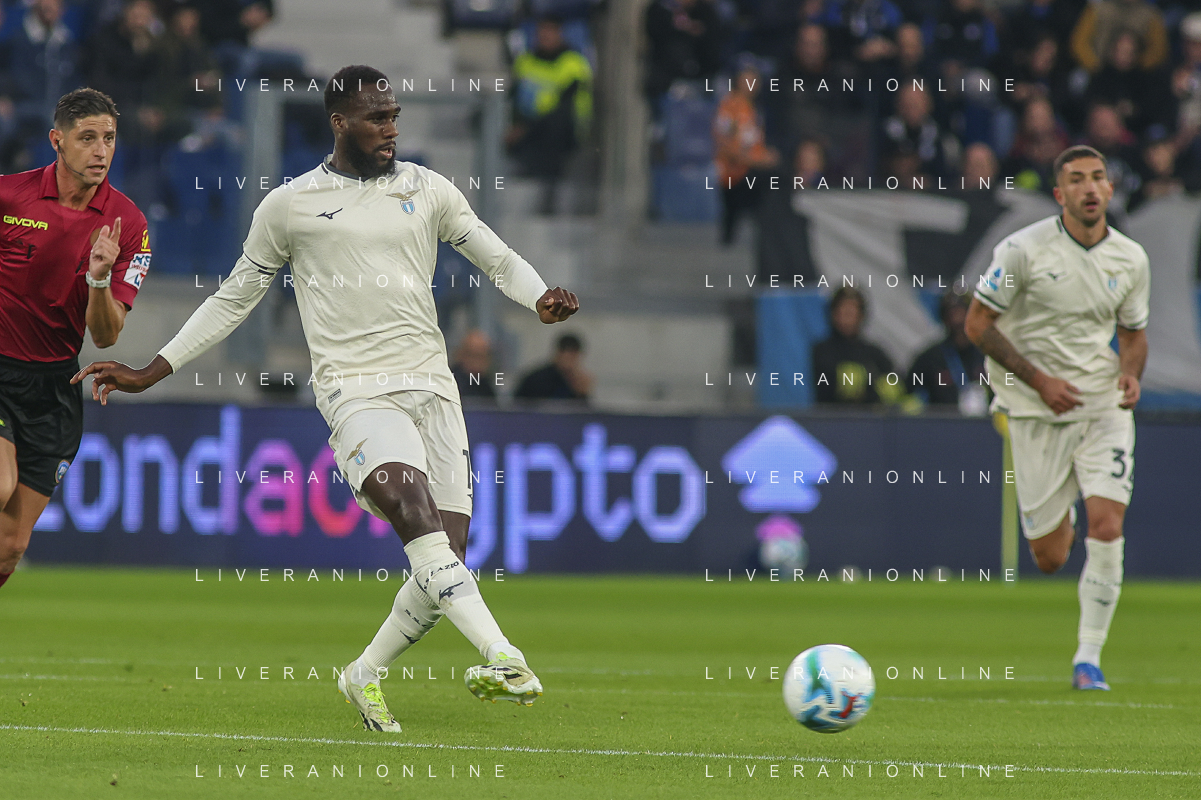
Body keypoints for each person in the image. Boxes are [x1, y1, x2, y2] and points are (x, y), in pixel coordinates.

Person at [73, 65, 580, 730]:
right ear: (339, 122)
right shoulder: (291, 206)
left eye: (394, 116)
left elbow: (497, 256)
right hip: (356, 390)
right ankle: (504, 656)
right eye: (377, 118)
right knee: (411, 509)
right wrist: (154, 368)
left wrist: (539, 296)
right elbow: (234, 298)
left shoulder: (427, 188)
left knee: (445, 557)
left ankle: (362, 674)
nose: (390, 129)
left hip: (432, 386)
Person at [965, 145, 1149, 692]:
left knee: (1108, 524)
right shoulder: (1022, 250)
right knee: (1049, 557)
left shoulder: (1131, 259)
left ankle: (1088, 659)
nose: (1089, 187)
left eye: (1098, 178)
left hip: (1101, 405)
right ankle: (1063, 499)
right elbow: (977, 324)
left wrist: (1131, 373)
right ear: (1059, 194)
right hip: (1034, 408)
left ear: (1109, 189)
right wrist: (1039, 380)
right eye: (1077, 179)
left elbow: (1133, 335)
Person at [0, 88, 150, 590]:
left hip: (53, 388)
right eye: (87, 138)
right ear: (57, 141)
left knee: (10, 545)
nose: (101, 151)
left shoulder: (129, 226)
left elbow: (106, 337)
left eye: (109, 138)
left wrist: (99, 279)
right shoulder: (9, 197)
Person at [505, 16, 593, 215]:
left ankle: (548, 192)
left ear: (560, 34)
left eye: (550, 32)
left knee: (555, 125)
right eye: (541, 31)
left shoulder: (573, 63)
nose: (545, 36)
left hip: (564, 131)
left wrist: (524, 128)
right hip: (528, 126)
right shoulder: (526, 61)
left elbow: (563, 105)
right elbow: (513, 96)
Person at [713, 57, 779, 245]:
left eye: (755, 80)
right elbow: (725, 145)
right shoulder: (729, 106)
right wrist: (757, 160)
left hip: (752, 169)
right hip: (734, 173)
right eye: (747, 80)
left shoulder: (756, 109)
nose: (751, 85)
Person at [810, 286, 902, 405]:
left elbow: (895, 381)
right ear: (833, 314)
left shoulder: (874, 352)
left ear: (861, 315)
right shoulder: (822, 351)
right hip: (833, 415)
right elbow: (830, 386)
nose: (847, 318)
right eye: (843, 312)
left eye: (852, 312)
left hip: (870, 416)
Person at [907, 291, 987, 410]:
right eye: (951, 314)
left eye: (961, 313)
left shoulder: (988, 354)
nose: (957, 321)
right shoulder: (929, 359)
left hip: (988, 420)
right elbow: (908, 393)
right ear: (943, 319)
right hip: (942, 420)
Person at [515, 333, 592, 402]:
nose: (570, 362)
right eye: (568, 357)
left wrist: (582, 393)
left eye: (573, 357)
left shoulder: (576, 382)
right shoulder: (537, 379)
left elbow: (581, 410)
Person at [451, 329, 498, 401]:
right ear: (461, 355)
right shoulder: (451, 383)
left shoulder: (486, 386)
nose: (478, 362)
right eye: (473, 355)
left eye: (483, 356)